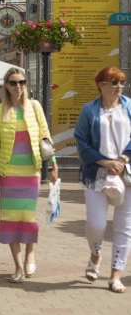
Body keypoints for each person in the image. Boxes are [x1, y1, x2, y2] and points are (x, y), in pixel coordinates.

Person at [0, 67, 58, 282]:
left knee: (27, 218)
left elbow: (46, 136)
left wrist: (54, 164)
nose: (18, 86)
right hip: (7, 173)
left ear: (26, 84)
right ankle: (17, 267)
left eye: (22, 82)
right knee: (10, 219)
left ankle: (30, 253)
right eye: (13, 82)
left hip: (31, 171)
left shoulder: (34, 107)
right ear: (6, 85)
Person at [74, 66, 131, 293]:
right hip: (96, 173)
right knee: (96, 224)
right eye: (114, 82)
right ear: (101, 85)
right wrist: (105, 162)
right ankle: (95, 255)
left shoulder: (128, 106)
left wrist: (123, 159)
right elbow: (81, 141)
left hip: (126, 173)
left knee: (124, 227)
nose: (119, 87)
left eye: (122, 82)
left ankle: (115, 274)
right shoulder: (89, 110)